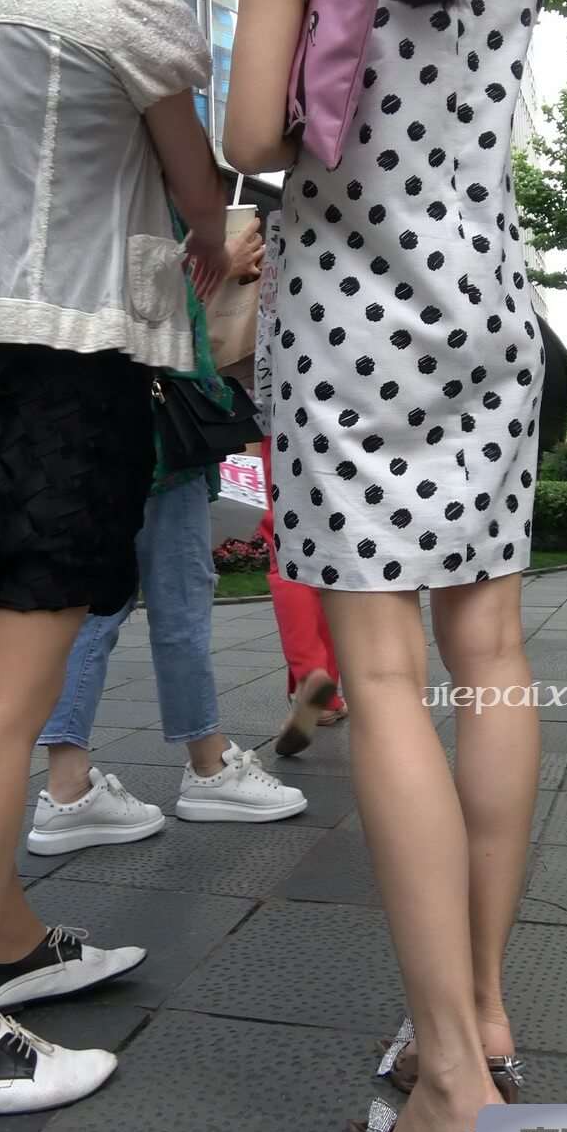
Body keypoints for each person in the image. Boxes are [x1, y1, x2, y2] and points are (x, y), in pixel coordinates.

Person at [224, 0, 562, 1132]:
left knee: (383, 674)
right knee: (493, 658)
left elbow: (253, 132)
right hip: (490, 312)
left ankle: (451, 1085)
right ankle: (482, 1008)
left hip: (348, 324)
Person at [0, 0, 229, 1120]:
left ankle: (0, 938)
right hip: (68, 369)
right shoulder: (124, 10)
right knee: (7, 698)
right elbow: (204, 202)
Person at [29, 216, 307, 852]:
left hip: (85, 428)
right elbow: (146, 306)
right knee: (179, 603)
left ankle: (68, 786)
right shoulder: (140, 190)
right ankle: (208, 768)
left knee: (90, 609)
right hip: (153, 435)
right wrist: (217, 263)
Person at [254, 210, 347, 756]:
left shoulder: (285, 223)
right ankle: (326, 687)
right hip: (359, 396)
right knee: (336, 542)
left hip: (285, 401)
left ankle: (312, 674)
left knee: (285, 542)